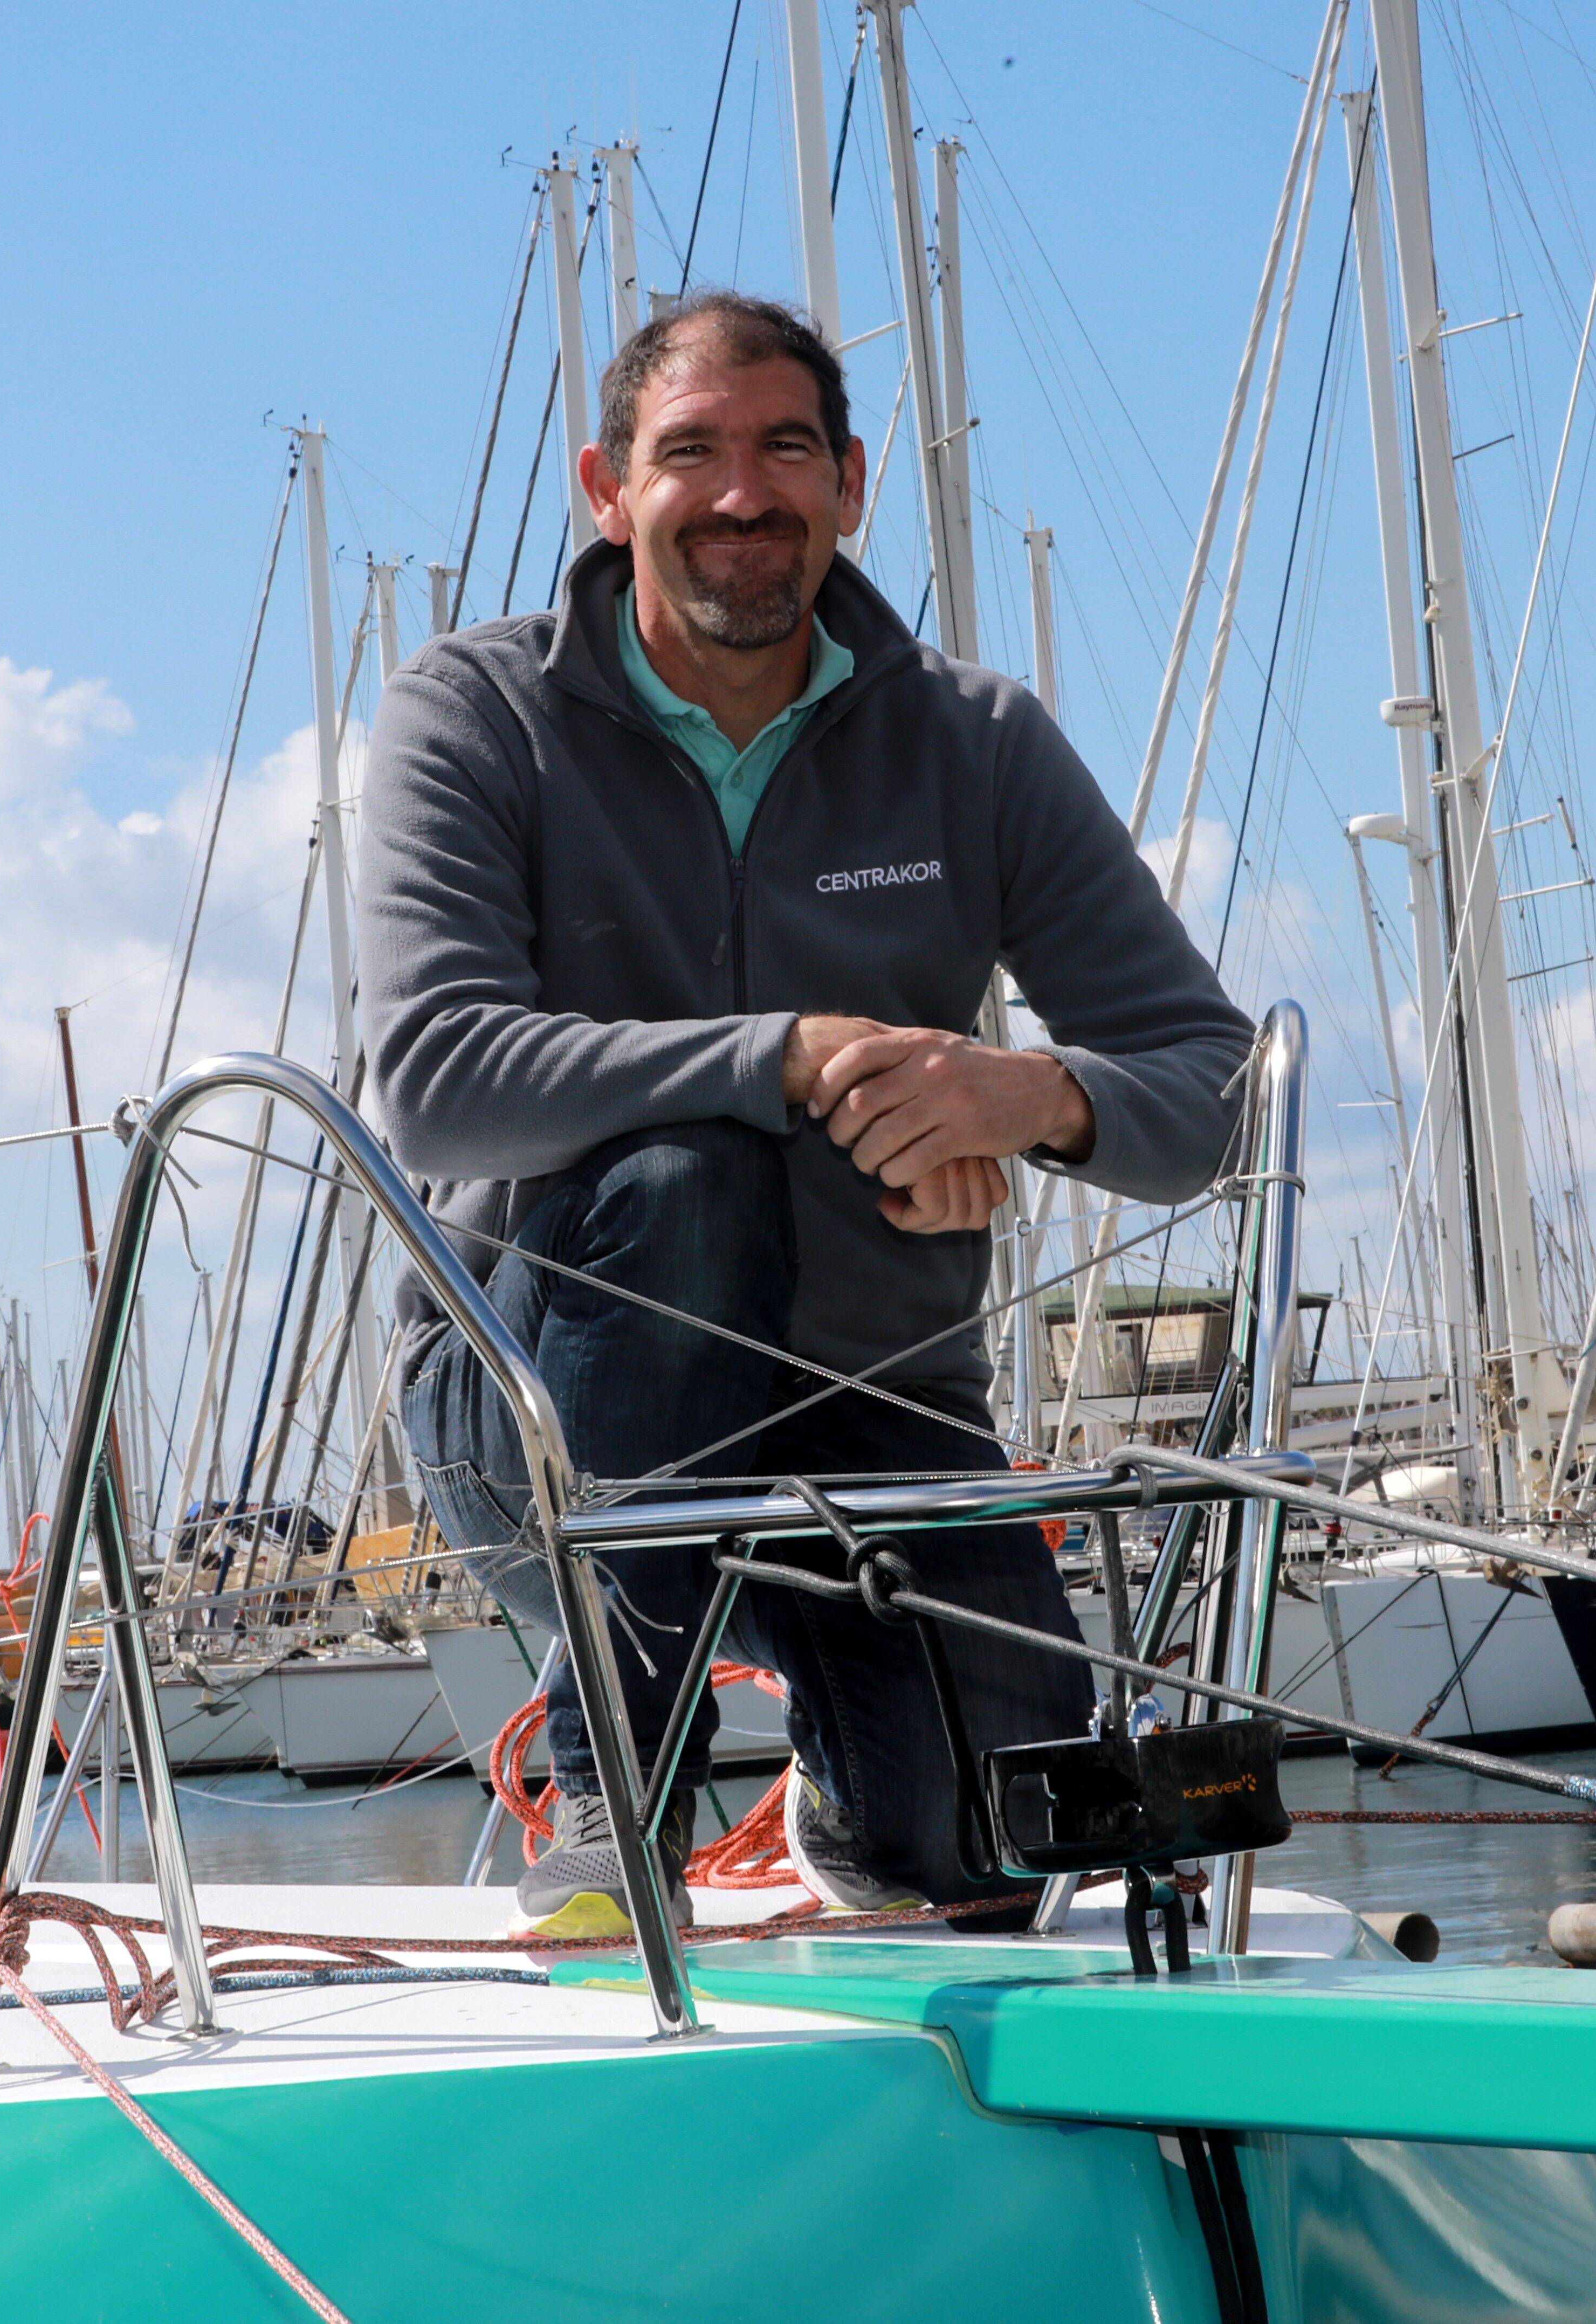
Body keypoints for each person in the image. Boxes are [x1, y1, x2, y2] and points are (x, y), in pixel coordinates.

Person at [357, 291, 1255, 1939]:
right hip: (540, 1409)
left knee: (997, 1855)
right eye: (686, 452)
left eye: (784, 449)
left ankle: (849, 1798)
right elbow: (434, 1081)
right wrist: (789, 1056)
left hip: (872, 1399)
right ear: (604, 491)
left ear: (849, 483)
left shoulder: (973, 744)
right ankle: (604, 1790)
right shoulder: (474, 714)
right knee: (691, 1179)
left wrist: (1031, 1093)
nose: (740, 493)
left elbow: (1208, 1093)